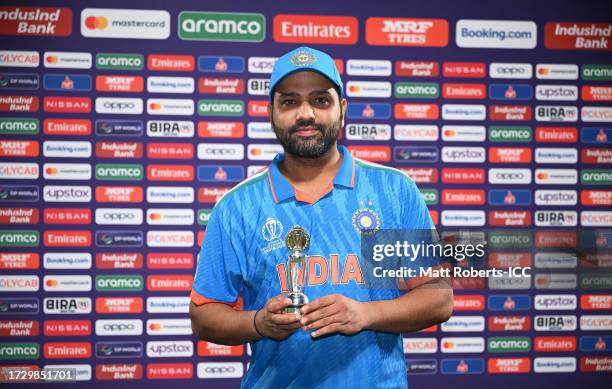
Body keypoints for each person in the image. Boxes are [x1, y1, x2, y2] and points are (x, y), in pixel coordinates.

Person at [190, 46, 453, 388]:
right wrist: (258, 323)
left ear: (342, 109)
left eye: (320, 100)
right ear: (270, 111)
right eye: (289, 101)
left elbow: (439, 298)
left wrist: (364, 314)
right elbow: (203, 316)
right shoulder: (235, 206)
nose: (305, 114)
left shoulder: (395, 190)